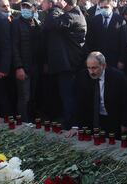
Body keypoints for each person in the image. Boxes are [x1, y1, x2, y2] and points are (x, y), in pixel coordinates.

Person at [66, 52, 127, 137]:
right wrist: (75, 126)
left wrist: (125, 124)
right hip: (90, 119)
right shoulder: (82, 76)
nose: (91, 72)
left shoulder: (118, 77)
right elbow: (77, 102)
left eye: (94, 68)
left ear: (103, 66)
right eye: (88, 68)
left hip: (113, 118)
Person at [43, 0, 87, 129]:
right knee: (67, 95)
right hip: (68, 63)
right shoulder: (72, 14)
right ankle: (71, 122)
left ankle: (72, 126)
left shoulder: (72, 16)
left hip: (69, 64)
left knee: (68, 96)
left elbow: (50, 24)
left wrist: (55, 7)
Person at [12, 0, 43, 121]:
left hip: (36, 67)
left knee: (33, 97)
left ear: (34, 8)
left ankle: (31, 121)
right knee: (24, 97)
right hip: (23, 68)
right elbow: (14, 47)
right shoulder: (16, 23)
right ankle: (24, 123)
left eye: (28, 6)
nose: (24, 8)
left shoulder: (37, 23)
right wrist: (18, 67)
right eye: (23, 6)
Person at [86, 0, 127, 69]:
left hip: (114, 59)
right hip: (98, 59)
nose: (103, 9)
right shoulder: (94, 20)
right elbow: (90, 40)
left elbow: (123, 42)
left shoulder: (120, 20)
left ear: (111, 6)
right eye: (101, 8)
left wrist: (121, 60)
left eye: (106, 7)